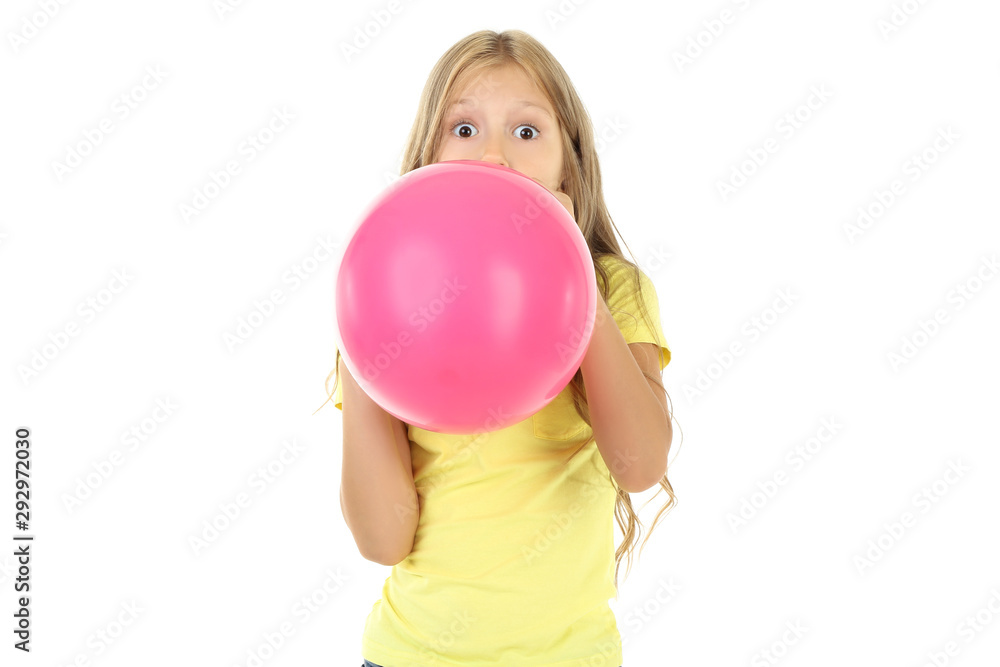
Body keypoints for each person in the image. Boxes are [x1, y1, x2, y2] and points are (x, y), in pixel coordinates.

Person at [322, 28, 681, 667]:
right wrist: (362, 337)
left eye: (526, 131)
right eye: (464, 129)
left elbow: (640, 466)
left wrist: (575, 280)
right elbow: (382, 540)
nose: (493, 154)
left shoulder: (615, 288)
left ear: (570, 163)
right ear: (428, 154)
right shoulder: (390, 299)